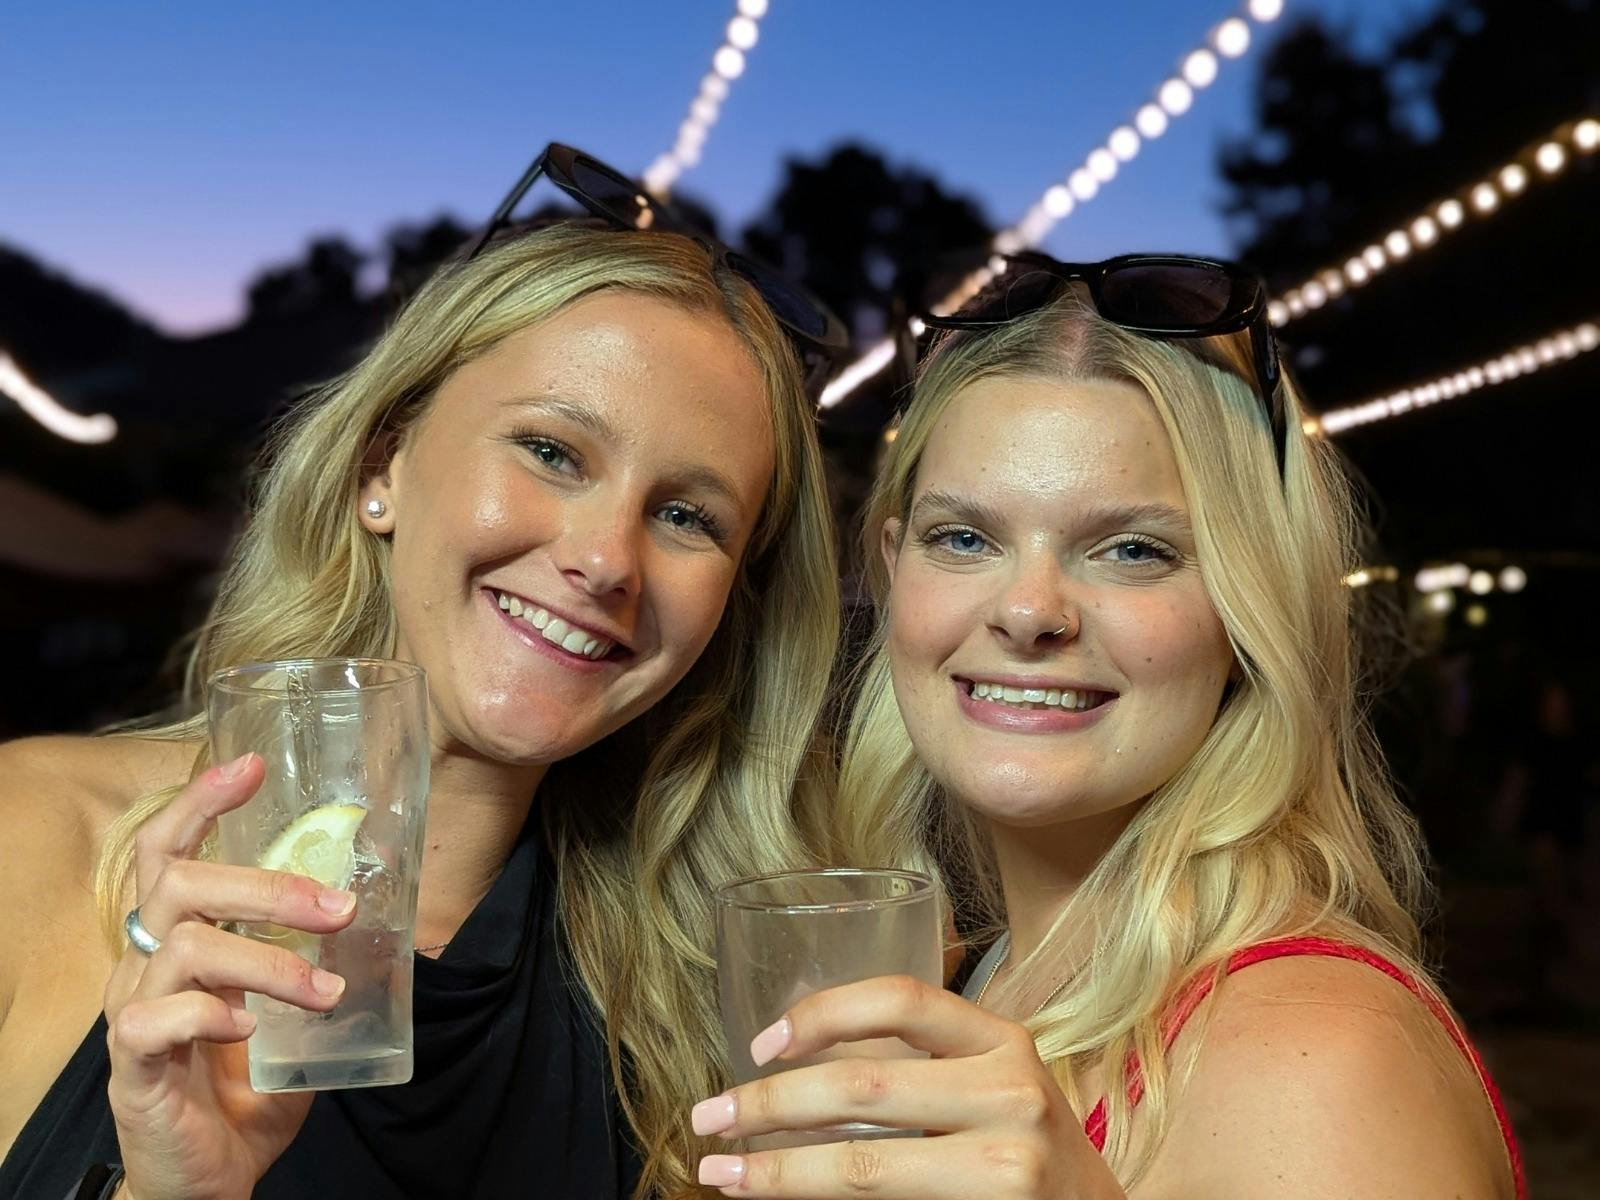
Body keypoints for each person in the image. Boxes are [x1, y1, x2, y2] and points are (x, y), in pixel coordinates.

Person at [0, 144, 846, 1200]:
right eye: (551, 451)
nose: (607, 558)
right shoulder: (24, 837)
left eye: (687, 516)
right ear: (380, 468)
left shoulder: (715, 996)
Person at [686, 254, 1526, 1198]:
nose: (1030, 610)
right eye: (964, 538)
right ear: (891, 572)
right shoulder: (977, 976)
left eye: (1133, 549)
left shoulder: (1316, 1057)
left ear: (1252, 606)